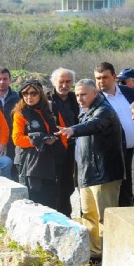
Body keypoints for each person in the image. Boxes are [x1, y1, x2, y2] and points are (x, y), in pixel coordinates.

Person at [55, 79, 124, 258]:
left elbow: (95, 125)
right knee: (88, 216)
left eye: (83, 94)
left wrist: (72, 130)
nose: (79, 98)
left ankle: (110, 256)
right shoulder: (87, 111)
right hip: (87, 173)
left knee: (105, 218)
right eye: (77, 95)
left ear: (95, 93)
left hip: (104, 174)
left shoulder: (104, 111)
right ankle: (95, 254)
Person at [12, 80, 66, 209]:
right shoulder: (20, 113)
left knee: (52, 198)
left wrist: (61, 147)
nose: (29, 97)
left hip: (52, 161)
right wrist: (41, 139)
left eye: (33, 93)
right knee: (33, 200)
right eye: (25, 93)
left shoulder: (51, 109)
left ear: (40, 94)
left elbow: (62, 131)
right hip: (30, 164)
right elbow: (17, 139)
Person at [94, 62, 134, 207]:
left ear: (114, 76)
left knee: (133, 190)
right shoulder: (95, 98)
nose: (101, 81)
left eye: (105, 77)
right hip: (114, 152)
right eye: (98, 78)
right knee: (116, 193)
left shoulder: (127, 92)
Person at [47, 67, 80, 217]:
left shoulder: (76, 98)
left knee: (69, 185)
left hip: (73, 147)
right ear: (54, 82)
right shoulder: (45, 99)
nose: (65, 85)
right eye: (61, 82)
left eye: (68, 82)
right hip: (53, 149)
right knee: (54, 184)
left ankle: (66, 215)